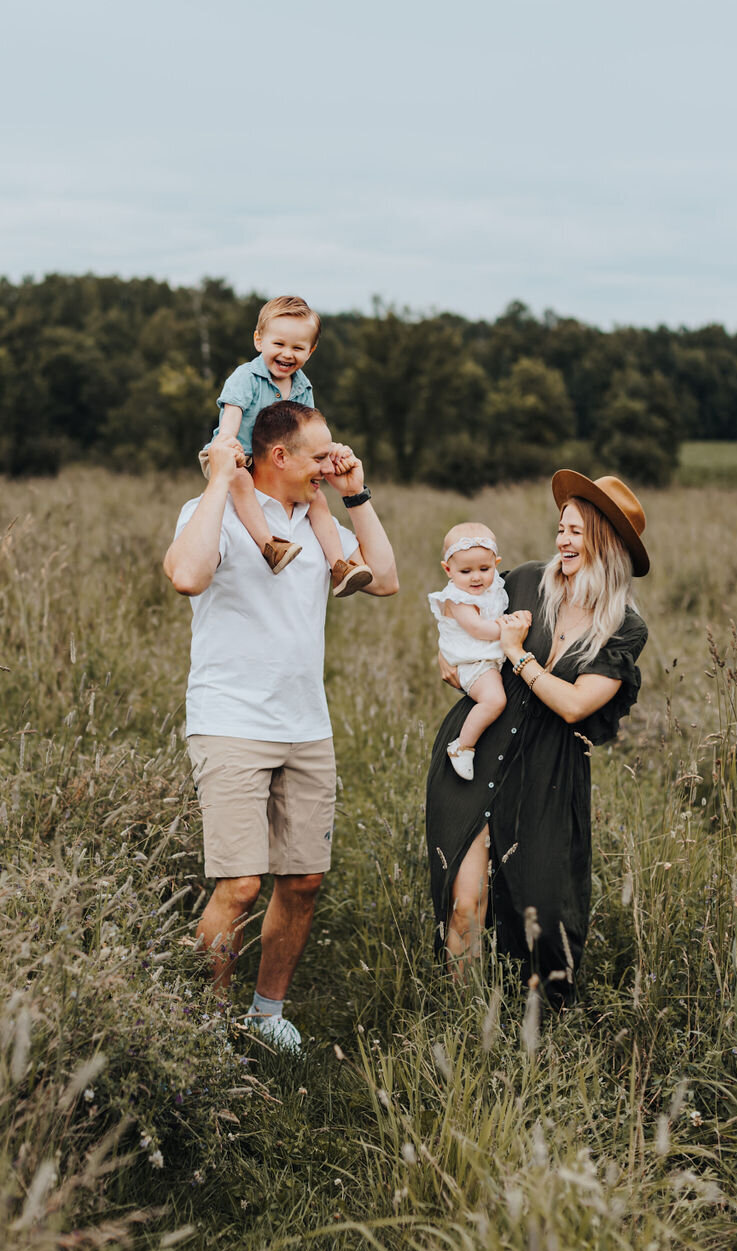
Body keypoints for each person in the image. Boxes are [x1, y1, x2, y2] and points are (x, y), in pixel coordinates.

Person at [165, 401, 398, 1049]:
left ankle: (265, 1015)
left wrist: (357, 495)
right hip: (230, 721)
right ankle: (207, 1027)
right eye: (320, 456)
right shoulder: (214, 511)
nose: (331, 463)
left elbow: (385, 581)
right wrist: (218, 481)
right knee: (239, 885)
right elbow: (186, 575)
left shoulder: (317, 520)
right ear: (279, 457)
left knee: (303, 882)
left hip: (306, 727)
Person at [425, 471, 649, 1002]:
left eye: (576, 531)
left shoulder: (624, 626)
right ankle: (463, 1024)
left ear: (607, 543)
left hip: (549, 771)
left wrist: (516, 655)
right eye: (561, 528)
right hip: (476, 752)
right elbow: (451, 637)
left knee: (543, 912)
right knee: (465, 901)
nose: (563, 540)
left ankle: (543, 1027)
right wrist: (455, 666)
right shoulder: (523, 582)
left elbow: (574, 704)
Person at [200, 294, 373, 597]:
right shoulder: (246, 377)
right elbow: (231, 419)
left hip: (277, 462)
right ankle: (270, 545)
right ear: (259, 341)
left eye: (298, 348)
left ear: (311, 351)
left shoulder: (302, 386)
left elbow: (310, 432)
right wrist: (228, 447)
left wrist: (329, 453)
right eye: (279, 344)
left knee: (316, 498)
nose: (287, 354)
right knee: (239, 480)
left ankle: (339, 566)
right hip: (234, 456)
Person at [428, 522, 508, 781]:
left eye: (484, 569)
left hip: (486, 657)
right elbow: (477, 628)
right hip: (472, 662)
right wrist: (509, 627)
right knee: (494, 700)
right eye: (466, 571)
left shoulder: (493, 587)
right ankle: (462, 746)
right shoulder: (457, 598)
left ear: (496, 563)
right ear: (448, 570)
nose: (476, 577)